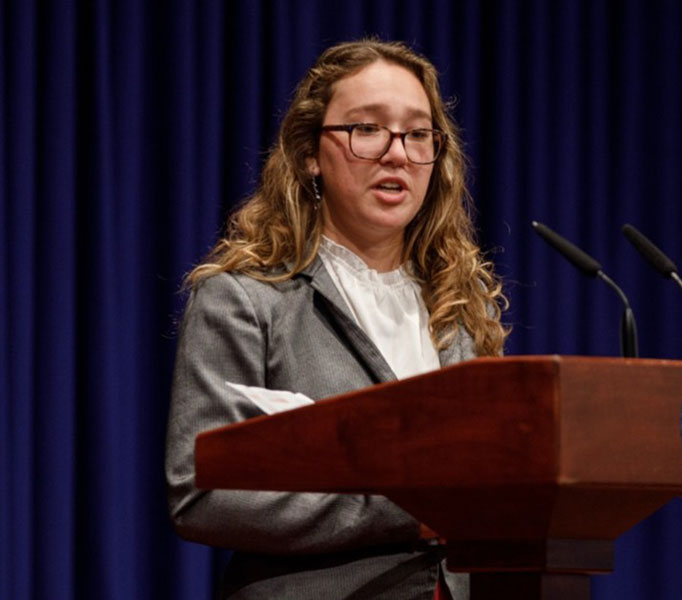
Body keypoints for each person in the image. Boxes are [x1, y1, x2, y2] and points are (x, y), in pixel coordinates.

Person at [166, 38, 508, 600]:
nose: (397, 152)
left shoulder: (462, 305)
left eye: (418, 133)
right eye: (366, 129)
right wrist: (412, 505)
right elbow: (203, 493)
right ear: (309, 153)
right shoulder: (245, 300)